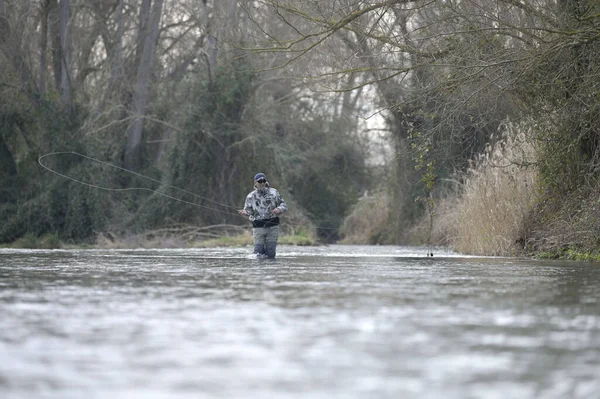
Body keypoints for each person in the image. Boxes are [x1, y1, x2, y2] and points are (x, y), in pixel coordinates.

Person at [238, 173, 287, 259]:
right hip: (258, 227)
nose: (262, 183)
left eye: (263, 181)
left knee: (271, 253)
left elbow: (284, 205)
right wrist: (245, 213)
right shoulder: (250, 196)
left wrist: (279, 209)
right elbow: (248, 210)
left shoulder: (274, 192)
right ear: (255, 183)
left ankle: (270, 271)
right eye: (259, 181)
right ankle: (259, 271)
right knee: (258, 252)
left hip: (273, 226)